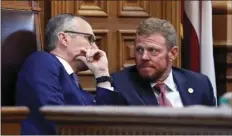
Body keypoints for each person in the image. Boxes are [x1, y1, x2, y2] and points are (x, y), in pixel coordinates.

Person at [15, 13, 123, 135]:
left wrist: (102, 74)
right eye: (89, 39)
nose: (95, 47)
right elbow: (54, 117)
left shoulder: (72, 80)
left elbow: (107, 121)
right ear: (64, 39)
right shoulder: (42, 61)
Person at [111, 17, 216, 107]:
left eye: (152, 50)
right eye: (139, 50)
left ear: (173, 53)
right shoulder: (121, 85)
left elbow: (212, 128)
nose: (144, 57)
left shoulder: (199, 84)